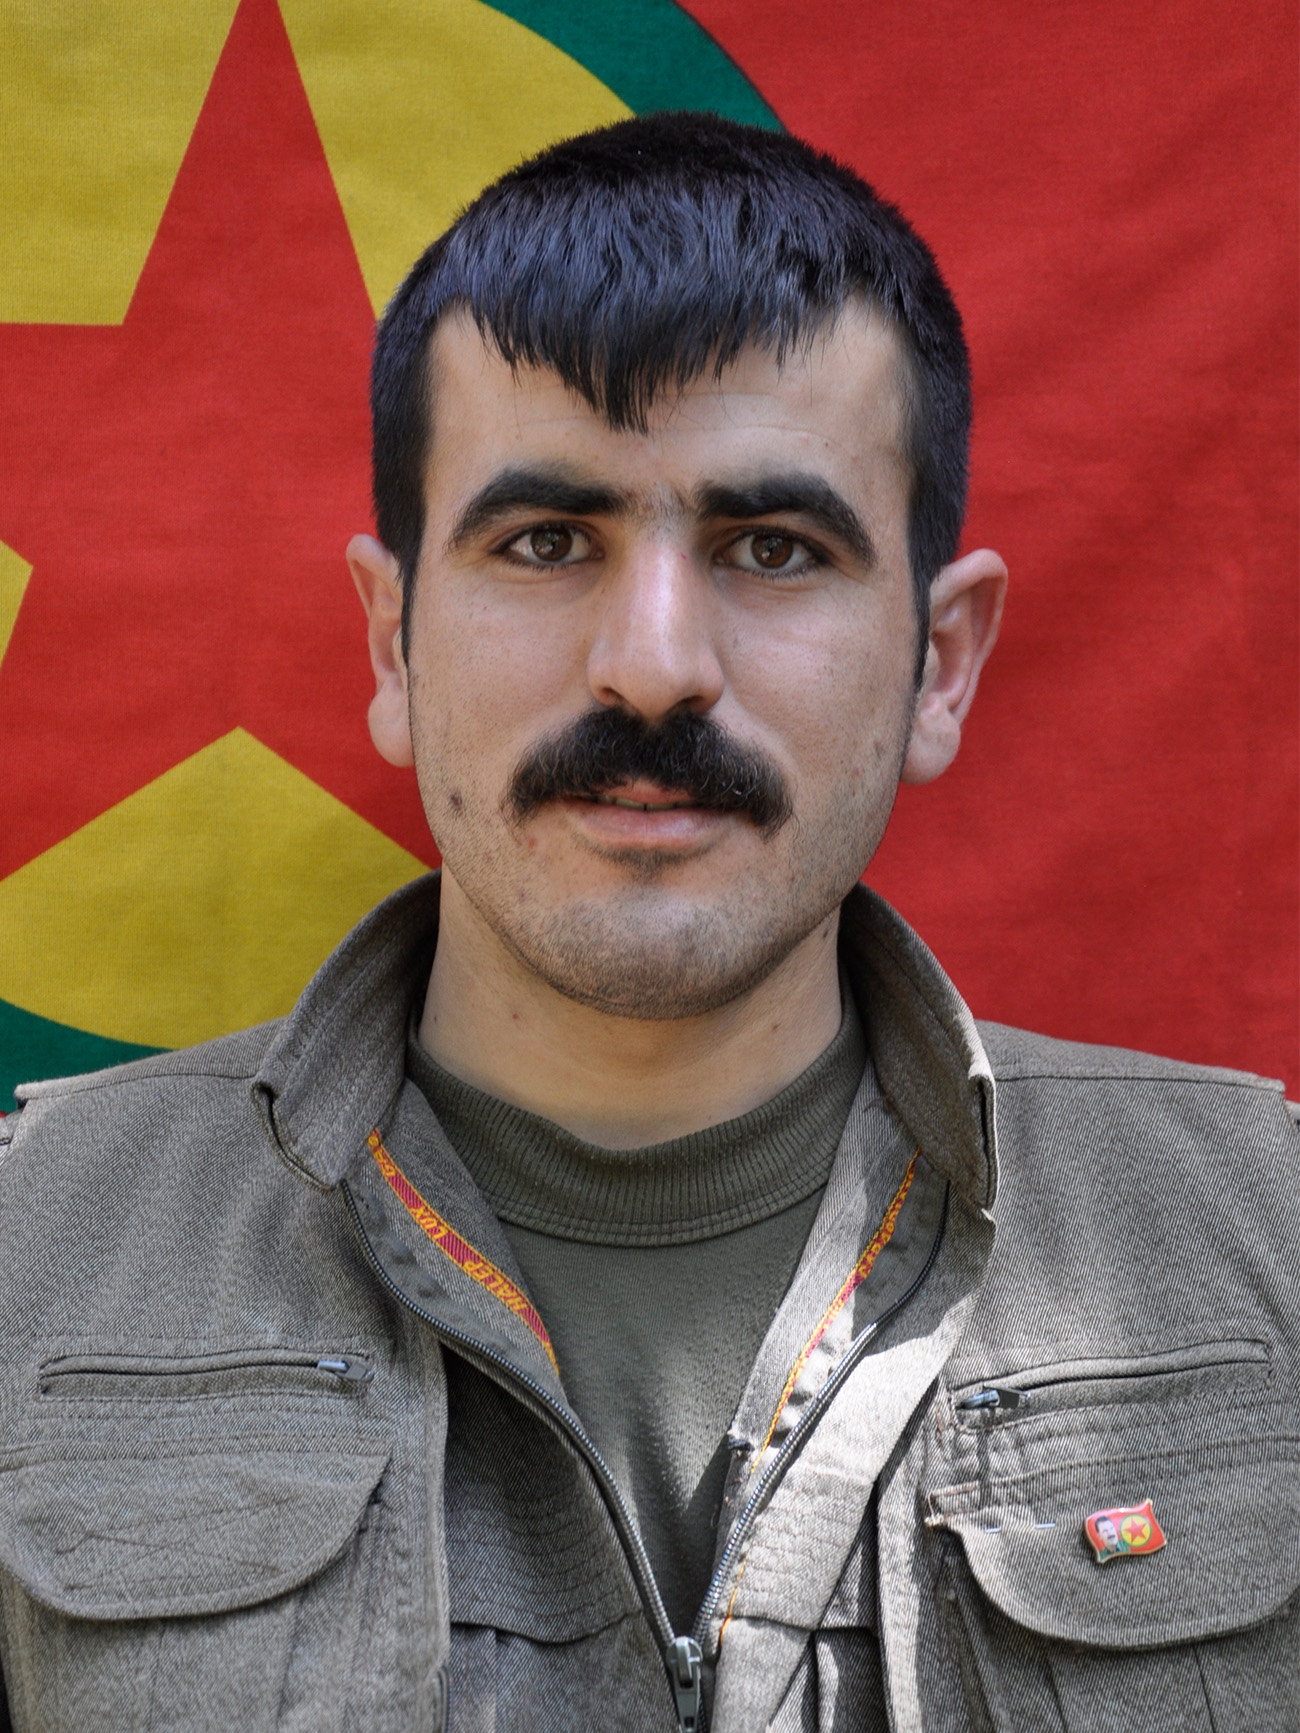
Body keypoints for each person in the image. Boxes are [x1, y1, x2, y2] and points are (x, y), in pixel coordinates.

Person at [0, 113, 1295, 1733]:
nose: (655, 662)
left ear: (943, 661)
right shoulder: (27, 1262)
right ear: (394, 645)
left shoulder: (1273, 1244)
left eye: (774, 548)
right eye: (547, 542)